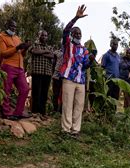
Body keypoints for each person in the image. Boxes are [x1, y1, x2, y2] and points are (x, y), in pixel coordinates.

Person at [58, 5, 95, 137]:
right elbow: (65, 30)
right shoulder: (68, 43)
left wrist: (90, 60)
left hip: (81, 81)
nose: (78, 35)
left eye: (80, 34)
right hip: (68, 78)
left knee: (79, 106)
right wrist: (76, 18)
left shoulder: (84, 49)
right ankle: (66, 130)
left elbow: (85, 66)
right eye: (76, 33)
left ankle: (75, 130)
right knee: (67, 104)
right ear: (72, 35)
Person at [0, 19, 31, 120]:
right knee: (6, 90)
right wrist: (16, 48)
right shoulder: (0, 37)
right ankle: (6, 113)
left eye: (15, 27)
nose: (13, 28)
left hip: (20, 67)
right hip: (8, 66)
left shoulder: (17, 38)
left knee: (25, 89)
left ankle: (18, 112)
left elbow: (22, 54)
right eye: (11, 26)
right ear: (6, 25)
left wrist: (26, 48)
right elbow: (3, 54)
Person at [29, 30, 54, 116]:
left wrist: (40, 53)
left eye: (46, 35)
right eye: (42, 35)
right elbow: (34, 51)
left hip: (47, 73)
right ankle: (35, 112)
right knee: (36, 92)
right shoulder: (34, 45)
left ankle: (42, 112)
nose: (44, 37)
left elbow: (52, 56)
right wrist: (45, 52)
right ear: (38, 36)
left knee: (44, 93)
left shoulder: (50, 47)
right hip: (37, 72)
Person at [51, 46, 64, 113]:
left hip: (65, 77)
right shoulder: (57, 52)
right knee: (55, 94)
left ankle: (61, 111)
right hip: (56, 75)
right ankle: (55, 110)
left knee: (64, 95)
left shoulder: (71, 52)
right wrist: (53, 73)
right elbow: (53, 63)